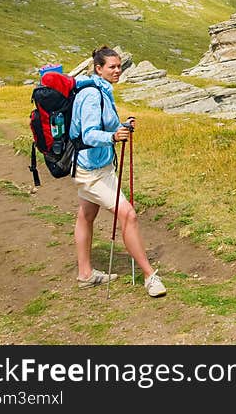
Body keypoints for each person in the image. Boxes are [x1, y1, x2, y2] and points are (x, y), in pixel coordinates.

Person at [69, 45, 166, 297]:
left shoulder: (100, 89)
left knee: (86, 216)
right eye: (111, 67)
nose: (117, 70)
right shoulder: (92, 95)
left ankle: (85, 274)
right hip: (92, 171)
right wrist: (113, 136)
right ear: (98, 68)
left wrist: (122, 126)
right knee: (129, 215)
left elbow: (101, 125)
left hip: (93, 165)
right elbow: (89, 134)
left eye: (119, 65)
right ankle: (149, 276)